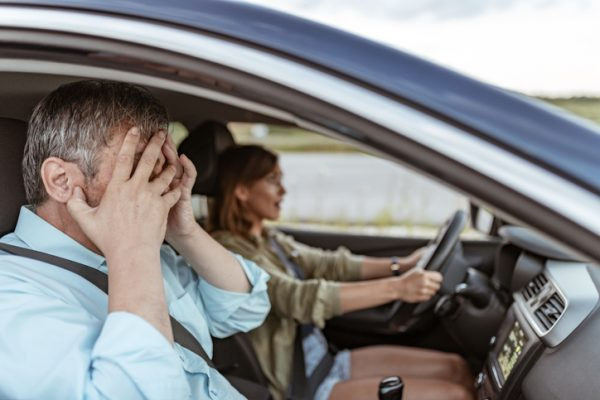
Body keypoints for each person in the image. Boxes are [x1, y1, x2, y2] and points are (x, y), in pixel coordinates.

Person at [0, 80, 271, 399]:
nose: (159, 188)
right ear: (62, 181)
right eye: (138, 171)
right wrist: (132, 251)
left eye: (160, 169)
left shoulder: (153, 252)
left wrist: (183, 231)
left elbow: (245, 309)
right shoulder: (14, 295)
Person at [209, 144, 475, 400]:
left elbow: (329, 264)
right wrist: (398, 287)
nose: (283, 190)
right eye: (272, 180)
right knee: (458, 396)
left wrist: (401, 265)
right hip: (300, 386)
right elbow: (298, 298)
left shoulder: (268, 238)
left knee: (457, 368)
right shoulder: (228, 250)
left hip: (323, 360)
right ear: (242, 190)